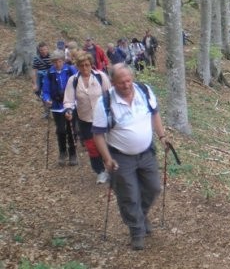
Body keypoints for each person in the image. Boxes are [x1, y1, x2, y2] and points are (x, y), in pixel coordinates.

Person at [92, 64, 171, 250]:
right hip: (121, 156)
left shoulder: (144, 91)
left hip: (146, 152)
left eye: (128, 80)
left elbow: (155, 114)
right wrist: (106, 159)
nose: (126, 85)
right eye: (121, 83)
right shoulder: (105, 102)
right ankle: (136, 230)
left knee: (153, 188)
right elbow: (97, 134)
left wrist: (162, 136)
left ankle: (141, 216)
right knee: (129, 195)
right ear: (112, 83)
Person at [64, 53, 111, 183]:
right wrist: (68, 110)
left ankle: (111, 168)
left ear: (91, 65)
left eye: (87, 65)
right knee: (92, 147)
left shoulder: (100, 77)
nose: (84, 68)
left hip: (103, 118)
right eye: (81, 65)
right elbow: (68, 99)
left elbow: (109, 94)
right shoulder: (73, 80)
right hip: (85, 119)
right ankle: (100, 171)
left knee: (107, 144)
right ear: (77, 66)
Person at [41, 50, 78, 166]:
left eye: (60, 61)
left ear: (63, 60)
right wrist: (47, 99)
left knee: (71, 129)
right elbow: (45, 90)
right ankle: (62, 152)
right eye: (55, 61)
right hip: (56, 106)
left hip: (70, 103)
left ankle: (73, 154)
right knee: (61, 130)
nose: (58, 63)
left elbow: (77, 84)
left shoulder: (70, 70)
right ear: (52, 62)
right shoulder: (50, 73)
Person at [32, 42, 52, 119]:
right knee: (39, 92)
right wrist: (34, 83)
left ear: (47, 49)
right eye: (41, 50)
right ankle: (46, 109)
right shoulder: (36, 58)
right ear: (39, 50)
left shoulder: (51, 57)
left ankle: (52, 108)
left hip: (50, 76)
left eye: (45, 49)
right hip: (40, 76)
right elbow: (34, 71)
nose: (43, 51)